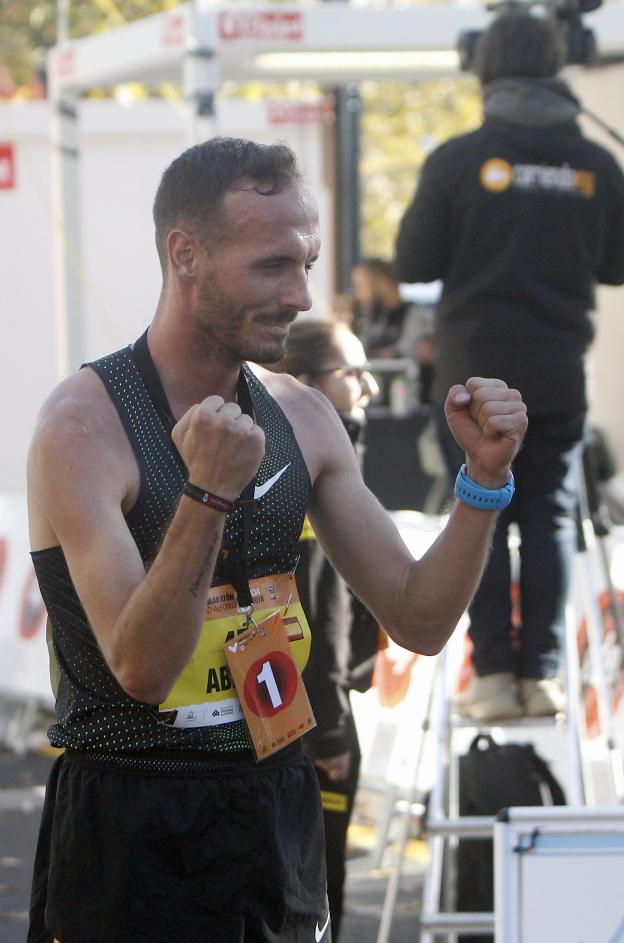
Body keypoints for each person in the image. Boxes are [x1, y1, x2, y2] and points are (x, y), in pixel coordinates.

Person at [26, 135, 527, 943]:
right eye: (271, 266)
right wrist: (205, 493)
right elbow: (141, 668)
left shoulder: (302, 412)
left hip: (273, 804)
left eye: (307, 262)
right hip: (133, 816)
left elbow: (420, 619)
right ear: (185, 255)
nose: (300, 294)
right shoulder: (83, 426)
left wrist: (483, 482)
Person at [395, 11, 624, 722]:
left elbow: (413, 263)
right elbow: (618, 266)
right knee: (550, 515)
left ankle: (493, 676)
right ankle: (544, 674)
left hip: (474, 384)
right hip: (557, 375)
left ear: (485, 68)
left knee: (480, 511)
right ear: (557, 68)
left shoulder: (460, 160)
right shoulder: (596, 162)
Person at [268, 318, 381, 939]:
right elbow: (317, 609)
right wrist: (331, 728)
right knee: (314, 893)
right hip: (308, 718)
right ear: (305, 383)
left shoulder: (323, 449)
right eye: (351, 373)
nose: (368, 386)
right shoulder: (306, 465)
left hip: (299, 709)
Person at [350, 257, 437, 405]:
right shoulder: (368, 320)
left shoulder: (418, 316)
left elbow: (416, 353)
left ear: (384, 283)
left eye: (362, 287)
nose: (358, 295)